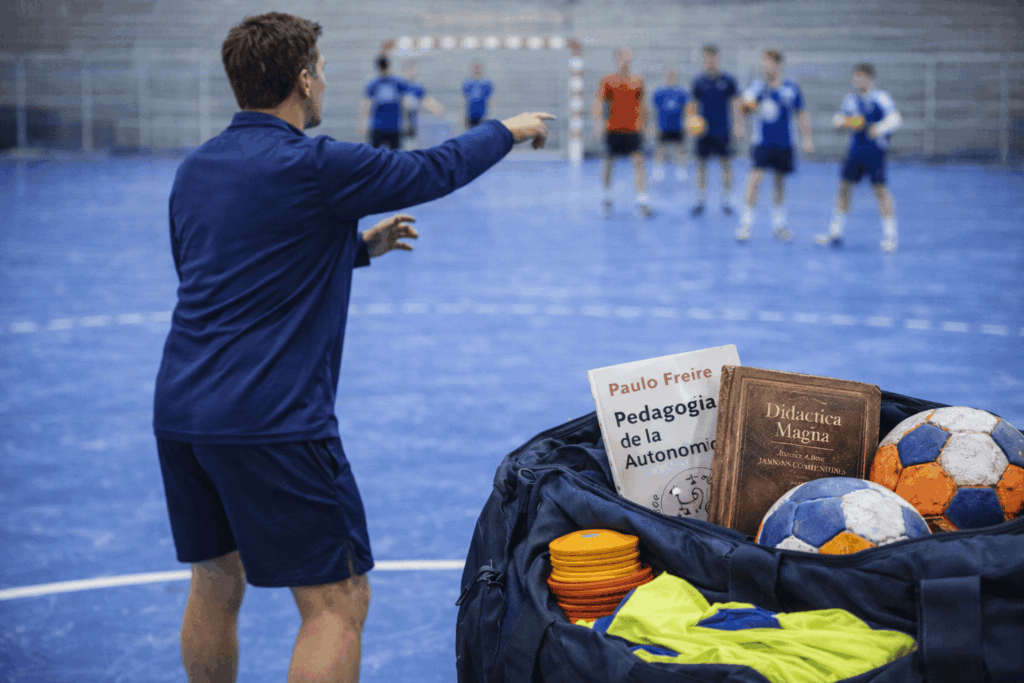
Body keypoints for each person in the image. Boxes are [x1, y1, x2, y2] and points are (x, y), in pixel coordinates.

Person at [152, 12, 553, 683]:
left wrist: (355, 250)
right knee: (336, 603)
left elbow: (221, 272)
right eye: (322, 69)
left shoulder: (195, 169)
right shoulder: (316, 163)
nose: (325, 82)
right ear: (304, 79)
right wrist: (508, 129)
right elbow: (435, 168)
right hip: (272, 421)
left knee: (216, 582)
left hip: (181, 413)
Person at [815, 63, 902, 251]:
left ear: (869, 78)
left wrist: (878, 128)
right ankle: (835, 232)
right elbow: (839, 121)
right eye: (856, 77)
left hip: (874, 152)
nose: (857, 80)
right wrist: (854, 122)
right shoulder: (850, 99)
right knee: (844, 189)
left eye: (861, 76)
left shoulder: (881, 97)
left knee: (880, 191)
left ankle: (890, 235)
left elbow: (895, 119)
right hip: (855, 151)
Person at [735, 49, 813, 242]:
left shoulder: (791, 88)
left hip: (784, 143)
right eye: (763, 63)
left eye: (768, 63)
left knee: (779, 183)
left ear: (777, 65)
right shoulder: (757, 87)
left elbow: (801, 113)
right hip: (761, 143)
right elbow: (742, 105)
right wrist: (750, 110)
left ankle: (779, 225)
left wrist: (807, 137)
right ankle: (746, 225)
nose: (765, 66)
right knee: (755, 179)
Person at [592, 47, 652, 218]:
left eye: (628, 58)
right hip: (613, 128)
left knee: (639, 162)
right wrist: (597, 122)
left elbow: (642, 104)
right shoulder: (608, 81)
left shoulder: (638, 80)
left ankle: (642, 199)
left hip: (633, 129)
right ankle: (607, 197)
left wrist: (646, 124)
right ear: (617, 60)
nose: (626, 61)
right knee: (609, 163)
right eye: (623, 58)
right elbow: (598, 101)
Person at [687, 45, 741, 216]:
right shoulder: (699, 81)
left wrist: (739, 124)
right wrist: (691, 123)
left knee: (725, 165)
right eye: (707, 58)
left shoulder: (728, 80)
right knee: (701, 165)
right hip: (703, 131)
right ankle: (700, 200)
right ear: (703, 59)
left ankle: (726, 201)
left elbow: (735, 104)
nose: (710, 61)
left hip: (722, 130)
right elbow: (693, 106)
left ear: (717, 58)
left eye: (713, 57)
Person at [650, 68, 689, 185]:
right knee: (660, 148)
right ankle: (658, 170)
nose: (670, 77)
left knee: (680, 148)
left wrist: (687, 124)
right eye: (669, 75)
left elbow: (687, 109)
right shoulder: (659, 92)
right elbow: (654, 110)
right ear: (665, 77)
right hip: (663, 125)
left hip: (678, 125)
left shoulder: (682, 92)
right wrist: (653, 125)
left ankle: (681, 170)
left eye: (673, 75)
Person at [359, 54, 406, 149]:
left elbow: (366, 104)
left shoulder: (395, 82)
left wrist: (362, 123)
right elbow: (366, 103)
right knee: (392, 157)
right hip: (381, 126)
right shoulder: (376, 83)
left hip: (390, 126)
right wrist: (363, 123)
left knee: (384, 156)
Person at [401, 60, 445, 148]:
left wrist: (436, 107)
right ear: (405, 70)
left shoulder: (417, 86)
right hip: (400, 121)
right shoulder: (399, 84)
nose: (412, 71)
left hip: (412, 121)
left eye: (413, 69)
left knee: (411, 145)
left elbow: (425, 99)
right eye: (409, 69)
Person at [462, 62, 493, 129]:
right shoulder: (467, 83)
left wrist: (490, 115)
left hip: (482, 116)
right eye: (475, 69)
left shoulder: (487, 84)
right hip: (470, 115)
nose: (477, 71)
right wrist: (462, 116)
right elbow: (464, 100)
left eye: (478, 69)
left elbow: (490, 100)